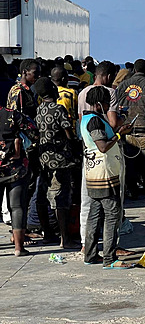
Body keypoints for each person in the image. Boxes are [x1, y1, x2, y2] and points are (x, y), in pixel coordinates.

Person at [81, 86, 133, 268]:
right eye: (105, 103)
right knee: (112, 213)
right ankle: (110, 258)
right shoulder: (94, 121)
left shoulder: (86, 118)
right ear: (98, 104)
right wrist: (119, 134)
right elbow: (102, 146)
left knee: (94, 214)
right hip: (103, 173)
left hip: (93, 172)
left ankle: (90, 254)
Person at [32, 77, 80, 249]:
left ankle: (48, 234)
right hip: (61, 159)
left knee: (43, 195)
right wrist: (75, 147)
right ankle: (65, 239)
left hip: (43, 159)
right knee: (62, 197)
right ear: (52, 90)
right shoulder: (58, 109)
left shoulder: (39, 110)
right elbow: (68, 132)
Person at [116, 59, 145, 200]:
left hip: (128, 130)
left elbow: (117, 106)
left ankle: (133, 191)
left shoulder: (123, 85)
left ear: (134, 70)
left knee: (130, 164)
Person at [0, 102, 37, 256]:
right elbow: (34, 133)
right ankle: (18, 248)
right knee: (17, 207)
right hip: (15, 168)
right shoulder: (12, 114)